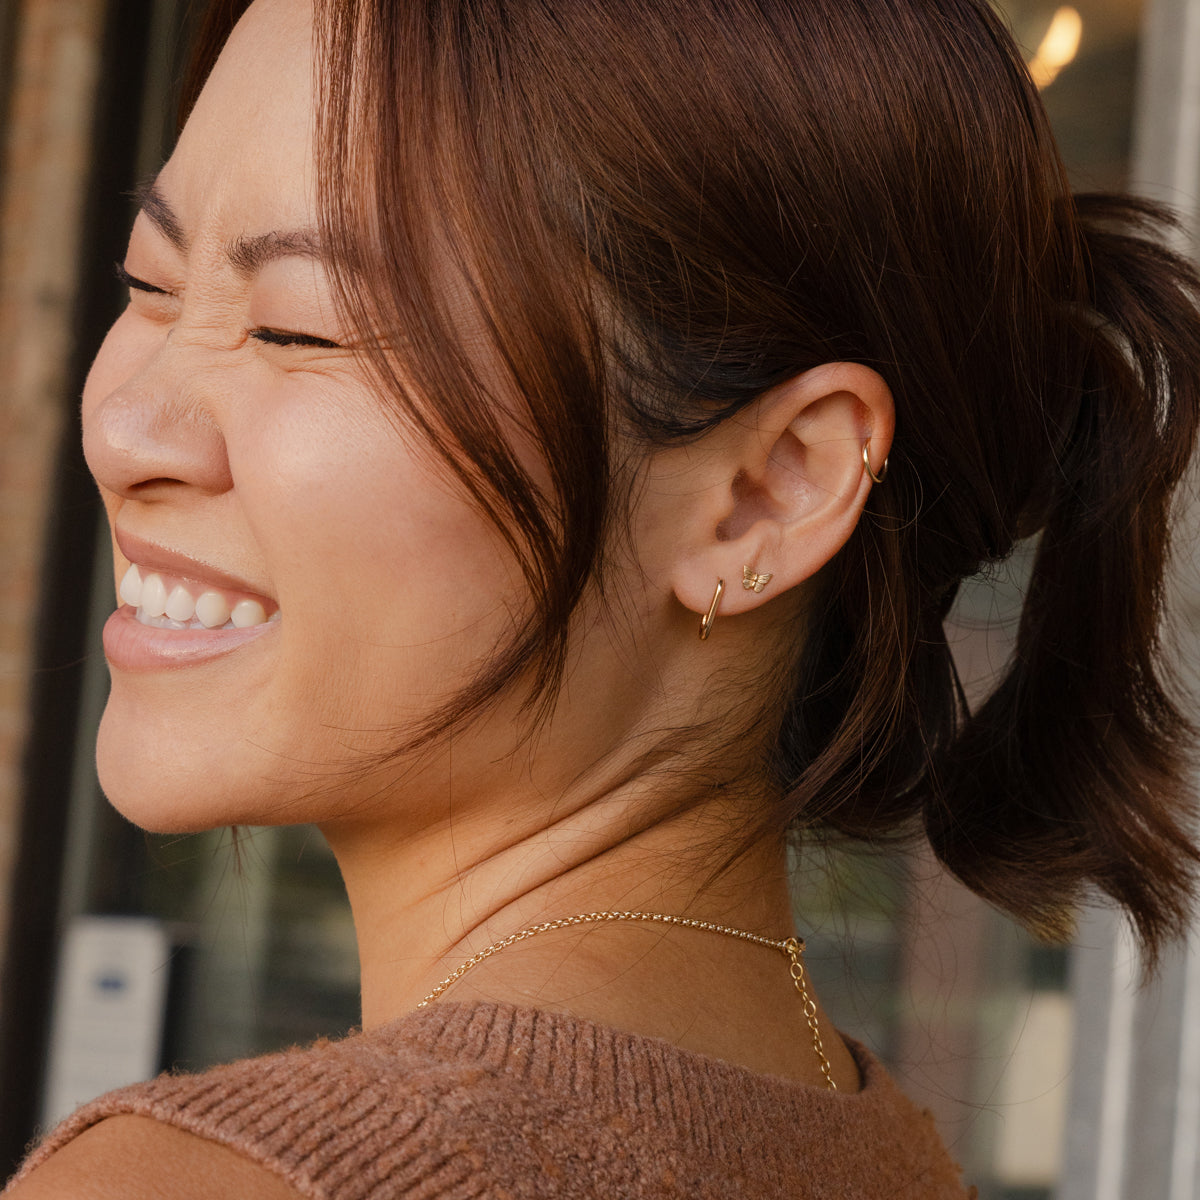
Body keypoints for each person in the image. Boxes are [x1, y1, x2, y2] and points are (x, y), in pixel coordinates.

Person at [6, 0, 1200, 1195]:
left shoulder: (204, 1180)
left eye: (296, 330)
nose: (121, 429)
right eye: (149, 283)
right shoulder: (880, 1155)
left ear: (766, 493)